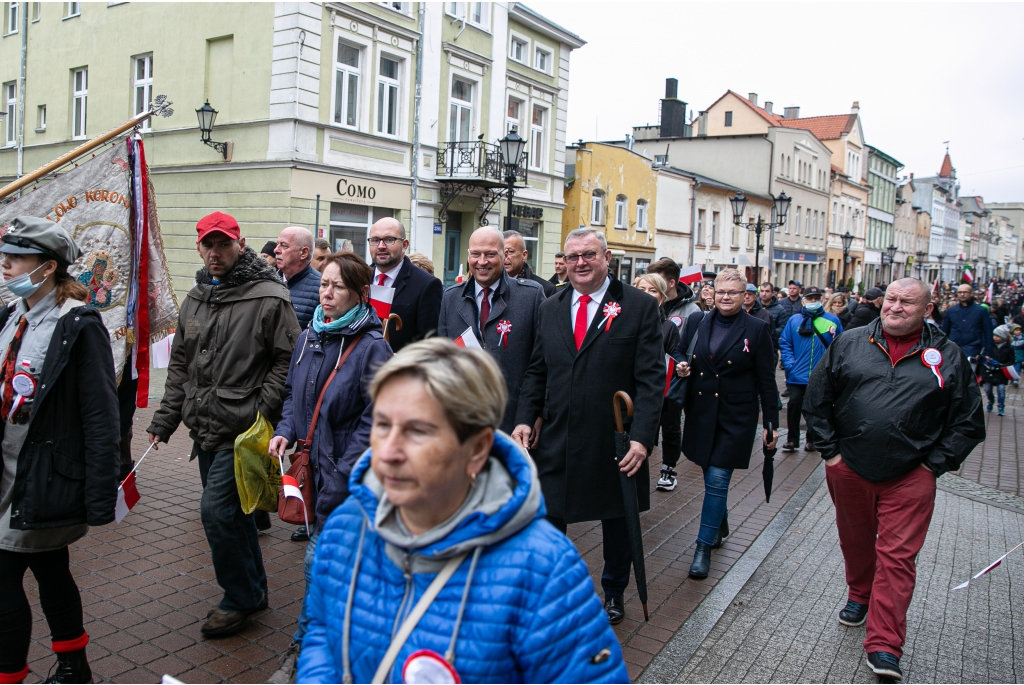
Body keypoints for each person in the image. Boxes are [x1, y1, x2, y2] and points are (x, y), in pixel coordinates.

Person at [296, 340, 629, 683]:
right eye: (382, 425)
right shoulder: (346, 526)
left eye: (418, 431)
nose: (388, 452)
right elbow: (322, 630)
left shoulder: (542, 569)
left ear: (476, 450)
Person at [803, 278, 985, 681]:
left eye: (907, 302)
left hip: (911, 476)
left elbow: (969, 423)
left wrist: (932, 465)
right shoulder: (850, 343)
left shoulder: (948, 356)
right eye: (891, 299)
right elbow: (817, 400)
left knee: (897, 558)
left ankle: (884, 643)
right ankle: (859, 592)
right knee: (855, 539)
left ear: (927, 309)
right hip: (849, 468)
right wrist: (830, 453)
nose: (896, 307)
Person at [147, 212, 300, 638]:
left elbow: (287, 359)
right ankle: (252, 590)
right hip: (206, 426)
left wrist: (261, 410)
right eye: (208, 245)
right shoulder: (197, 297)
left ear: (241, 244)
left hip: (243, 430)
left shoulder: (270, 296)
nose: (215, 253)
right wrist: (165, 418)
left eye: (224, 245)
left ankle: (239, 599)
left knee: (216, 512)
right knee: (233, 517)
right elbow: (182, 363)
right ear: (199, 247)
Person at [512, 227, 663, 625]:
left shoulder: (638, 307)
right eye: (573, 256)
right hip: (558, 436)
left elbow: (650, 381)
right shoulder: (551, 306)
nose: (580, 263)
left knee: (617, 522)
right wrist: (525, 419)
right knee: (548, 519)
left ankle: (613, 591)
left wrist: (643, 439)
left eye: (589, 255)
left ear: (606, 257)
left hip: (613, 440)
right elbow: (537, 371)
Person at [0, 217, 119, 685]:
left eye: (17, 256)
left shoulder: (77, 324)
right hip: (8, 471)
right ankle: (74, 665)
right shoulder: (13, 314)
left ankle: (10, 676)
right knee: (51, 569)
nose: (5, 263)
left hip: (43, 475)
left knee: (5, 577)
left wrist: (98, 491)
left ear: (48, 267)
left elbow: (99, 414)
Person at [267, 251, 392, 682]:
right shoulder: (309, 338)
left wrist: (342, 475)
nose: (327, 293)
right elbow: (291, 395)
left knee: (317, 565)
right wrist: (285, 429)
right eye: (324, 285)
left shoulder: (373, 347)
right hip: (311, 473)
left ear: (361, 294)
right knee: (336, 569)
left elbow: (377, 419)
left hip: (348, 480)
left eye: (337, 286)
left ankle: (302, 652)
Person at [673, 269, 779, 579]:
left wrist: (770, 423)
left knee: (718, 480)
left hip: (736, 417)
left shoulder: (757, 329)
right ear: (712, 293)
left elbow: (766, 380)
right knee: (710, 476)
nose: (726, 297)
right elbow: (681, 350)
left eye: (733, 292)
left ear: (746, 295)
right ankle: (720, 522)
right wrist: (681, 364)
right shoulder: (698, 321)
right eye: (720, 291)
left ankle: (702, 547)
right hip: (701, 412)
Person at [437, 227, 544, 434]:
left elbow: (542, 364)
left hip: (516, 423)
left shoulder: (530, 297)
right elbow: (442, 361)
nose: (482, 261)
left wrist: (533, 415)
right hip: (465, 422)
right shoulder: (450, 298)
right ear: (468, 256)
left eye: (490, 254)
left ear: (504, 256)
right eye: (476, 254)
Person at [778, 286, 842, 452]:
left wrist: (831, 367)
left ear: (821, 299)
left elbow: (840, 345)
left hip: (820, 375)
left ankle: (812, 439)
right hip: (797, 374)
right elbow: (785, 342)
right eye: (810, 298)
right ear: (803, 300)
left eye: (816, 298)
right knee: (794, 406)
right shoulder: (794, 320)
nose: (813, 301)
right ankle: (792, 439)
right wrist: (790, 364)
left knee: (815, 409)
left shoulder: (832, 320)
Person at [636, 274, 683, 492]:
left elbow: (676, 355)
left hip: (665, 390)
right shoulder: (626, 322)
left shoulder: (668, 328)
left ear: (662, 297)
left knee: (670, 427)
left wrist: (681, 365)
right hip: (634, 390)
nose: (646, 294)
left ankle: (668, 467)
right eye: (642, 289)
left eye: (652, 290)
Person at [368, 218, 443, 352]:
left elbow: (429, 344)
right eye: (375, 240)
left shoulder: (426, 285)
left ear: (405, 245)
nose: (381, 246)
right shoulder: (359, 278)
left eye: (389, 239)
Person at [276, 226, 321, 332]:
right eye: (277, 244)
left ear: (304, 252)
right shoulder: (267, 282)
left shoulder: (322, 287)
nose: (276, 250)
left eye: (284, 246)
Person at [941, 283, 994, 359]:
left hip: (973, 350)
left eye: (965, 292)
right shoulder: (951, 311)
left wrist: (987, 353)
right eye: (960, 292)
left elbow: (988, 332)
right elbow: (945, 331)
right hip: (953, 349)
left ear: (971, 294)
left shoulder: (981, 311)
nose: (962, 294)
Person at [646, 257, 701, 329]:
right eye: (650, 280)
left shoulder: (692, 311)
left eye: (657, 281)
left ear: (671, 283)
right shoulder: (645, 305)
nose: (652, 284)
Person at [976, 324, 1015, 416]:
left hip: (1001, 372)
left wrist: (1002, 365)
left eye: (998, 336)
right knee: (987, 389)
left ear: (1004, 337)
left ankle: (1001, 406)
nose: (995, 338)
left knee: (1001, 389)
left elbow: (1012, 360)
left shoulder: (1009, 348)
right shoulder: (989, 346)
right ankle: (990, 400)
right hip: (989, 372)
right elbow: (983, 357)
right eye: (994, 336)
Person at [503, 230, 555, 297]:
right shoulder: (490, 284)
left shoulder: (546, 289)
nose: (505, 257)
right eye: (501, 252)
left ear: (524, 255)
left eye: (510, 251)